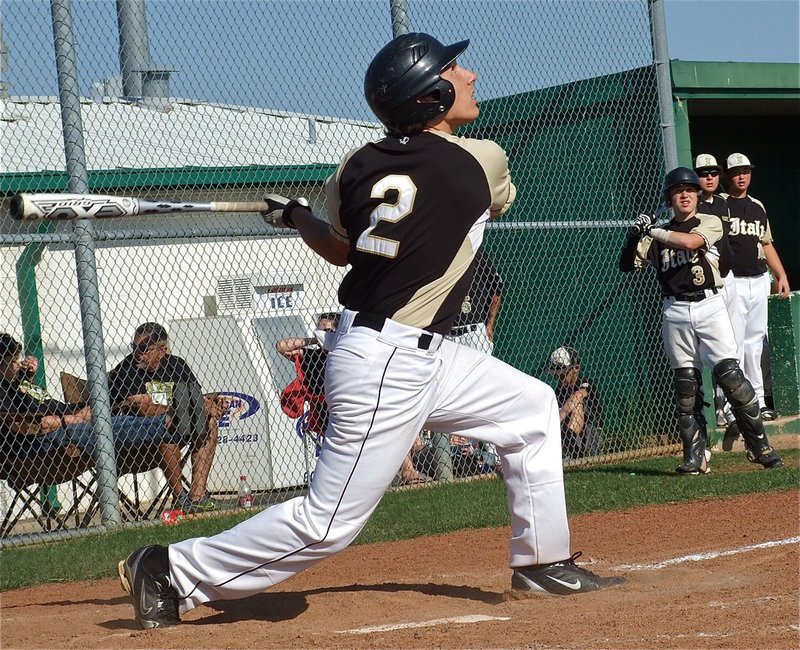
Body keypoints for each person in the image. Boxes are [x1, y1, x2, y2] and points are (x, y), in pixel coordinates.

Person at [118, 32, 625, 630]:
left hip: (425, 353)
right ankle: (168, 569)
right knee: (328, 524)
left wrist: (298, 215)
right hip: (388, 362)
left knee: (533, 408)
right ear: (431, 95)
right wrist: (308, 213)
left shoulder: (353, 169)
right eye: (454, 71)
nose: (470, 77)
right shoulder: (483, 158)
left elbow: (340, 250)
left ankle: (542, 561)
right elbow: (476, 202)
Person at [618, 167, 783, 475]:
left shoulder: (708, 221)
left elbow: (691, 243)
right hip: (675, 310)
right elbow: (627, 265)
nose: (685, 194)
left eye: (690, 190)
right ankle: (696, 455)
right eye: (678, 190)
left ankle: (759, 445)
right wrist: (632, 236)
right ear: (670, 198)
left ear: (697, 196)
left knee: (730, 376)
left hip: (710, 304)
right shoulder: (659, 233)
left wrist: (651, 231)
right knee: (685, 386)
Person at [0, 332, 180, 478]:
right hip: (43, 445)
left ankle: (169, 422)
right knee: (105, 427)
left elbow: (31, 404)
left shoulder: (15, 383)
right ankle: (168, 424)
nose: (18, 364)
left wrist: (26, 378)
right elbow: (24, 424)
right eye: (13, 361)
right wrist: (75, 419)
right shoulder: (2, 390)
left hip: (65, 424)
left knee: (118, 417)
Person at [107, 322, 225, 514]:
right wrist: (182, 408)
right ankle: (179, 497)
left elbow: (195, 400)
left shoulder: (177, 365)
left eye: (144, 348)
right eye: (134, 347)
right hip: (137, 441)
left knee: (209, 422)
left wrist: (208, 405)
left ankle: (197, 495)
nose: (138, 352)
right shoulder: (126, 369)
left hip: (178, 427)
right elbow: (143, 407)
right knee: (163, 427)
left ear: (162, 351)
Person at [723, 153, 791, 425]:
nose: (741, 176)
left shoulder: (757, 206)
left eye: (746, 171)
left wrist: (780, 274)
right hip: (733, 281)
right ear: (728, 175)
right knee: (733, 344)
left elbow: (766, 243)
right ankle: (730, 407)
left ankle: (758, 401)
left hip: (758, 279)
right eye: (736, 171)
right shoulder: (720, 205)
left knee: (756, 343)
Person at [692, 154, 739, 432]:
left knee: (730, 345)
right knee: (707, 350)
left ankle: (730, 409)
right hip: (705, 284)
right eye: (703, 172)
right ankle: (714, 411)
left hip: (727, 279)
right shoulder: (692, 204)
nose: (709, 177)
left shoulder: (722, 202)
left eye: (714, 172)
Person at [546, 346, 602, 460]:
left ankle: (567, 447)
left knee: (577, 404)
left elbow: (578, 395)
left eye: (563, 374)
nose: (559, 378)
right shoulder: (557, 392)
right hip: (561, 434)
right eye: (557, 375)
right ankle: (567, 449)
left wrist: (556, 420)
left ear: (576, 368)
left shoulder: (585, 383)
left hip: (588, 436)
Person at [448, 248, 503, 353]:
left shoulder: (476, 255)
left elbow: (497, 288)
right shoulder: (440, 258)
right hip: (446, 335)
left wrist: (490, 324)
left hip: (474, 333)